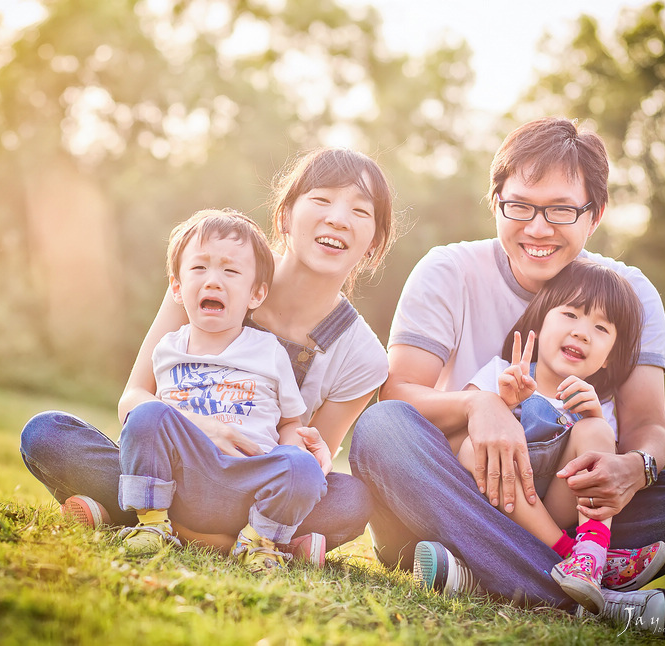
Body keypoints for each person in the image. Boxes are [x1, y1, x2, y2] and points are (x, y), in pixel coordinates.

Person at [349, 117, 665, 635]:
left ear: (594, 216)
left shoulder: (630, 294)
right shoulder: (449, 271)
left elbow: (649, 427)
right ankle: (584, 597)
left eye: (560, 210)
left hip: (568, 510)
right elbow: (399, 394)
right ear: (496, 201)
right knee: (382, 430)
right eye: (521, 206)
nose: (537, 227)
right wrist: (477, 405)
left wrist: (634, 469)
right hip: (448, 492)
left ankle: (478, 572)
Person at [20, 147, 396, 563]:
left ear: (374, 241)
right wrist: (203, 430)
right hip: (170, 465)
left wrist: (313, 454)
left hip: (250, 487)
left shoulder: (364, 357)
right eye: (322, 200)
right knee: (47, 434)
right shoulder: (209, 271)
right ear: (285, 216)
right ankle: (236, 542)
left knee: (351, 501)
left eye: (360, 211)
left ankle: (137, 520)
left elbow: (306, 462)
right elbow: (134, 399)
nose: (338, 219)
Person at [116, 208, 332, 571]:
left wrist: (296, 461)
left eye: (230, 271)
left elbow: (291, 422)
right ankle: (152, 523)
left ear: (256, 294)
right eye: (199, 268)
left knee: (309, 472)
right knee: (147, 413)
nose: (213, 281)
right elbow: (140, 415)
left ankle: (260, 540)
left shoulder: (269, 352)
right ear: (177, 287)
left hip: (247, 482)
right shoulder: (168, 347)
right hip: (180, 476)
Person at [455, 259, 665, 613]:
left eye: (601, 328)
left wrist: (595, 423)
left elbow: (603, 477)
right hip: (499, 501)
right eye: (570, 314)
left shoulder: (600, 406)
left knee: (597, 431)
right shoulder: (500, 373)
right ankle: (570, 554)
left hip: (557, 504)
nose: (582, 332)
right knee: (468, 445)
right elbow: (458, 442)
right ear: (539, 321)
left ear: (608, 359)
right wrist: (502, 405)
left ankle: (590, 550)